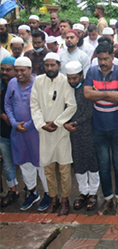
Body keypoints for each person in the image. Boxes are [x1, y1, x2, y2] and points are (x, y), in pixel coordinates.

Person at [84, 43, 118, 215]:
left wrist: (99, 93)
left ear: (113, 57)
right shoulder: (91, 71)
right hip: (98, 127)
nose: (103, 62)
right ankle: (108, 198)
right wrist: (109, 94)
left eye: (106, 58)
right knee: (103, 165)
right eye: (100, 59)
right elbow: (87, 94)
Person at [30, 53, 77, 215]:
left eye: (53, 65)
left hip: (61, 130)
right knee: (48, 169)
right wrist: (42, 124)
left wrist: (56, 123)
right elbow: (34, 105)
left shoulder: (65, 81)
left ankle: (65, 200)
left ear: (59, 65)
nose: (50, 68)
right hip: (44, 131)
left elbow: (72, 106)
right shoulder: (38, 81)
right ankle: (53, 198)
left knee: (64, 169)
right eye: (47, 65)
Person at [5, 57, 52, 211]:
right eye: (16, 70)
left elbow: (43, 107)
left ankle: (48, 193)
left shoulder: (39, 83)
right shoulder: (12, 83)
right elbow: (8, 104)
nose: (19, 73)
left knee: (40, 163)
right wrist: (13, 123)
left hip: (35, 131)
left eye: (22, 70)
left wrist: (29, 124)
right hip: (18, 132)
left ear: (30, 69)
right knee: (24, 163)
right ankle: (32, 192)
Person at [63, 61, 99, 211]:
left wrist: (75, 122)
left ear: (81, 75)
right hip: (72, 132)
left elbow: (90, 111)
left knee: (91, 161)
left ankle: (93, 193)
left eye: (74, 78)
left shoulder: (88, 88)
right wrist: (66, 123)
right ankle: (83, 192)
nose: (72, 81)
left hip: (88, 130)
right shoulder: (65, 88)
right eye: (69, 78)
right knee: (78, 162)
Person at [0, 57, 19, 207]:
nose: (5, 72)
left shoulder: (21, 85)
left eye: (8, 69)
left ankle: (31, 189)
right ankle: (12, 189)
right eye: (2, 69)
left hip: (22, 130)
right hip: (4, 131)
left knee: (26, 162)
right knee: (7, 163)